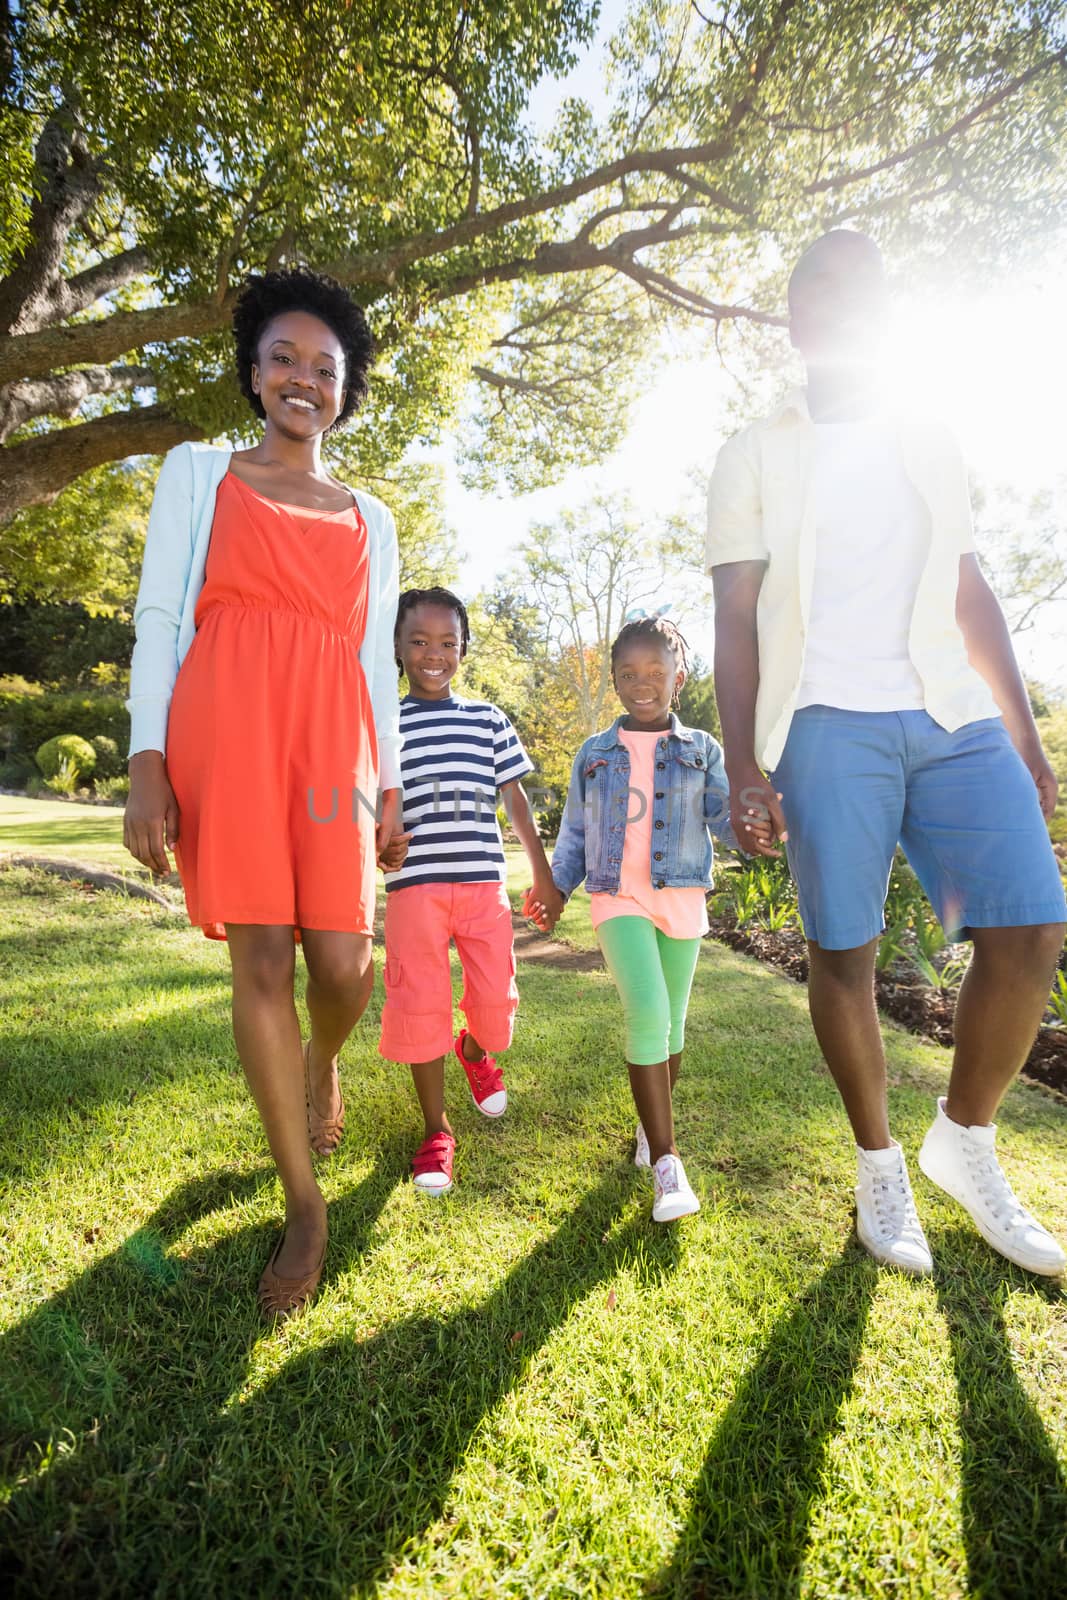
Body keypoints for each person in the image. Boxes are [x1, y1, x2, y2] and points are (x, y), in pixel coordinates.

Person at [707, 228, 1066, 1276]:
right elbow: (732, 616)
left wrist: (1020, 726)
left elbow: (964, 584)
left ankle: (962, 1137)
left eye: (861, 291)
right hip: (823, 719)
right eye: (817, 290)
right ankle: (877, 1160)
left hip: (948, 713)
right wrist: (741, 761)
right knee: (842, 952)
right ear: (794, 318)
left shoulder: (926, 432)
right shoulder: (753, 449)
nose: (840, 306)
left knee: (1030, 925)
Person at [123, 268, 408, 1319]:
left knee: (344, 959)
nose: (301, 379)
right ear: (251, 372)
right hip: (226, 730)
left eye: (322, 369)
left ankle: (319, 1061)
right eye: (282, 359)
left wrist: (391, 784)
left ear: (344, 391)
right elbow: (160, 618)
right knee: (260, 957)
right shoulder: (199, 472)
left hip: (332, 741)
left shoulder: (371, 514)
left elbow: (376, 662)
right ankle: (304, 1203)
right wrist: (147, 758)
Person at [545, 615, 767, 1222]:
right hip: (617, 895)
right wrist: (559, 886)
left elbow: (725, 818)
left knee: (674, 1027)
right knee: (648, 1013)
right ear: (615, 680)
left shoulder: (702, 750)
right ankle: (668, 1166)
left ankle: (650, 1126)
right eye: (627, 674)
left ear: (678, 678)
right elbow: (575, 831)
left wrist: (759, 821)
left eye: (655, 673)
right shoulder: (594, 753)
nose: (641, 684)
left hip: (682, 895)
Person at [379, 586, 557, 1194]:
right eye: (420, 641)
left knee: (495, 1007)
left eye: (448, 642)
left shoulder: (487, 719)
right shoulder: (384, 724)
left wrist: (543, 872)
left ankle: (476, 1051)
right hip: (414, 892)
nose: (435, 653)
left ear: (464, 648)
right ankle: (436, 1130)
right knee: (419, 1004)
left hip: (483, 888)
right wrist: (379, 846)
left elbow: (515, 798)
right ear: (398, 647)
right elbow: (371, 810)